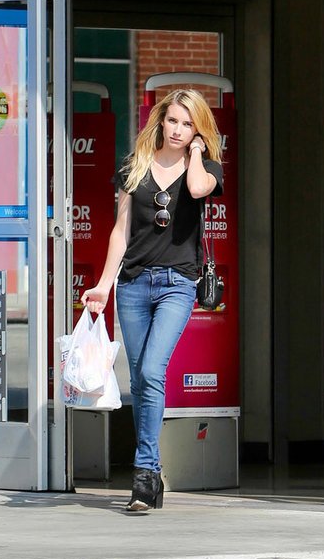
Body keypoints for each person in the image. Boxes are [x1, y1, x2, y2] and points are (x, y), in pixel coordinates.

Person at [83, 87, 223, 514]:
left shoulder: (206, 166)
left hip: (178, 284)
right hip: (133, 284)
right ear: (160, 120)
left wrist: (197, 152)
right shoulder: (134, 165)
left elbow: (198, 190)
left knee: (151, 369)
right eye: (173, 120)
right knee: (141, 381)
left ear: (197, 130)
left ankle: (143, 474)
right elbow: (121, 231)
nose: (178, 130)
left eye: (188, 124)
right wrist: (104, 285)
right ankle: (151, 475)